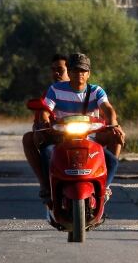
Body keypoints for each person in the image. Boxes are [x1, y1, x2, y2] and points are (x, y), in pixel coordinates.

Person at [40, 52, 125, 202]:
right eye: (75, 70)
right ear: (69, 72)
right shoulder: (55, 89)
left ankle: (104, 189)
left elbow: (107, 109)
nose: (79, 74)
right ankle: (50, 190)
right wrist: (46, 121)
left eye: (83, 70)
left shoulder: (96, 91)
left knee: (111, 161)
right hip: (62, 138)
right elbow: (46, 110)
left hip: (90, 139)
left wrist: (113, 123)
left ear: (88, 73)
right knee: (47, 152)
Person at [23, 53, 69, 200]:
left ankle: (104, 187)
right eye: (53, 69)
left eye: (60, 70)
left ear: (71, 71)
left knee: (112, 141)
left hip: (82, 136)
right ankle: (46, 184)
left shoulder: (87, 90)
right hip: (55, 137)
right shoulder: (49, 92)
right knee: (37, 143)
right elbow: (41, 116)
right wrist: (41, 127)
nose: (56, 73)